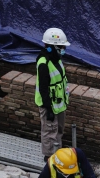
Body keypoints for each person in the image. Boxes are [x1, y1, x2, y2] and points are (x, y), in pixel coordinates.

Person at [35, 28, 71, 161]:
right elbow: (43, 88)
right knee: (50, 131)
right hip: (49, 105)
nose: (63, 49)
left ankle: (57, 151)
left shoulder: (56, 59)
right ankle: (49, 157)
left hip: (59, 104)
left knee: (58, 130)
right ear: (52, 46)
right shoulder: (44, 63)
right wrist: (48, 108)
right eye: (61, 47)